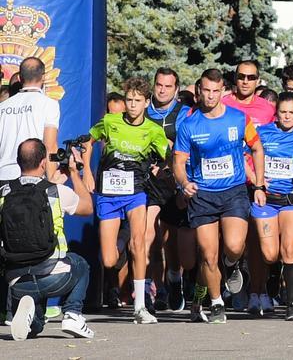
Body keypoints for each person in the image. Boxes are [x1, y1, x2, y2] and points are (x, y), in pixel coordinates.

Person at [172, 68, 266, 324]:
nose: (211, 96)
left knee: (234, 247)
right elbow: (178, 162)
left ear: (223, 91)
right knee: (207, 254)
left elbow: (257, 148)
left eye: (216, 91)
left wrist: (259, 184)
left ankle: (232, 264)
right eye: (206, 91)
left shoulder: (238, 118)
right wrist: (183, 183)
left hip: (234, 191)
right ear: (199, 91)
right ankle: (215, 302)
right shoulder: (189, 124)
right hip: (203, 195)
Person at [84, 77, 171, 324]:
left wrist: (162, 169)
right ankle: (120, 239)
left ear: (146, 103)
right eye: (129, 100)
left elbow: (167, 157)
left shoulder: (153, 130)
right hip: (109, 194)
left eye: (137, 101)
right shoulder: (110, 122)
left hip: (136, 191)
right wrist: (88, 173)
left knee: (139, 243)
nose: (132, 105)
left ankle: (140, 306)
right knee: (109, 259)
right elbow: (88, 142)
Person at [3, 139, 95, 340]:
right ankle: (72, 314)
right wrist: (74, 174)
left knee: (36, 327)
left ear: (18, 162)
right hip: (53, 276)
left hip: (16, 280)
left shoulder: (4, 193)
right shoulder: (56, 192)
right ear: (44, 162)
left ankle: (29, 313)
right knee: (81, 264)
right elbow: (88, 207)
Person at [252, 92, 293, 321]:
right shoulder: (263, 133)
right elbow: (247, 158)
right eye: (283, 112)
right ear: (276, 113)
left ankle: (292, 303)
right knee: (270, 254)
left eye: (291, 113)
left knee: (289, 250)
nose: (286, 117)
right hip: (266, 200)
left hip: (290, 202)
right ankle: (265, 286)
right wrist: (257, 183)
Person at [144, 67, 191, 311]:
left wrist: (166, 160)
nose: (162, 90)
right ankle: (156, 289)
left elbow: (182, 145)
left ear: (176, 89)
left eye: (168, 86)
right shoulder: (143, 110)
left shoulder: (183, 113)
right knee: (149, 235)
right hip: (147, 182)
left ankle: (174, 279)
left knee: (170, 238)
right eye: (159, 85)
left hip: (172, 182)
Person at [0, 57, 60, 184]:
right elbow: (50, 146)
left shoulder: (2, 107)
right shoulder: (49, 104)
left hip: (2, 177)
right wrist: (52, 181)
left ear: (20, 78)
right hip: (31, 180)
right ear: (43, 77)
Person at [221, 60, 275, 126]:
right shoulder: (222, 105)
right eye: (241, 77)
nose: (245, 82)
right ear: (235, 78)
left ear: (258, 81)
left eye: (251, 78)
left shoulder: (268, 109)